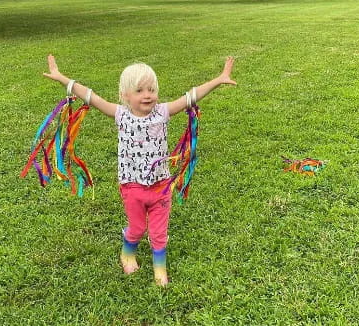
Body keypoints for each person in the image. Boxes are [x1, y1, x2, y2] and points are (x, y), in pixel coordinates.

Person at [43, 54, 236, 286]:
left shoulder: (163, 112)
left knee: (159, 232)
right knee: (137, 227)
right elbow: (91, 96)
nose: (148, 95)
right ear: (125, 96)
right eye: (140, 90)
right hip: (132, 186)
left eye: (152, 89)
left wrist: (218, 79)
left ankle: (159, 267)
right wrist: (63, 79)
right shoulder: (120, 114)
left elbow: (190, 96)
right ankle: (128, 253)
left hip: (161, 186)